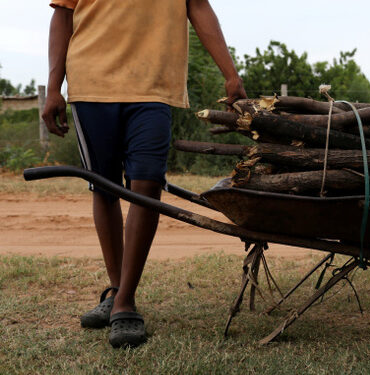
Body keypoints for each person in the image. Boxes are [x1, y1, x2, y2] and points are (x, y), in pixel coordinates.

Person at [42, 0, 247, 348]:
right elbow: (62, 16)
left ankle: (124, 302)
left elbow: (198, 7)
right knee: (103, 188)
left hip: (154, 87)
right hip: (93, 84)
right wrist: (52, 87)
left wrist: (231, 74)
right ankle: (118, 289)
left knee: (147, 186)